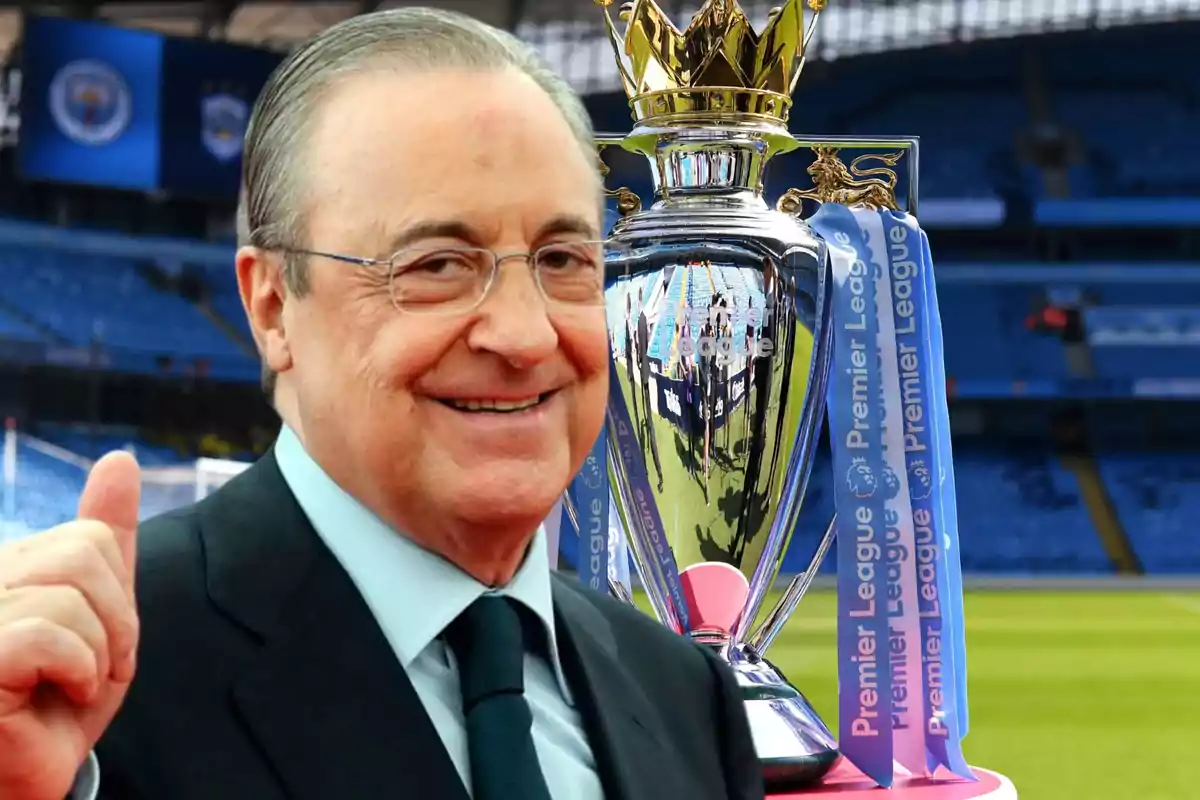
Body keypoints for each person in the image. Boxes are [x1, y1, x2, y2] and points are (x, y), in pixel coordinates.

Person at [0, 8, 764, 800]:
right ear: (272, 308)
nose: (525, 335)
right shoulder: (89, 690)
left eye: (562, 258)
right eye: (437, 264)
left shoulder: (685, 697)